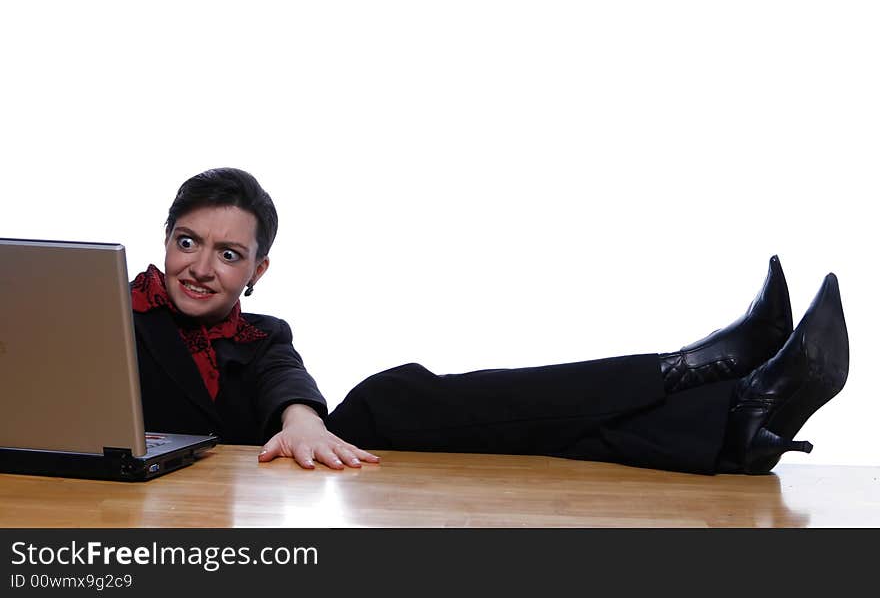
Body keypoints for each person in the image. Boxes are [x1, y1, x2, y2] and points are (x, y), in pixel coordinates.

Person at [131, 167, 850, 476]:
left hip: (294, 462)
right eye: (187, 241)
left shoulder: (264, 334)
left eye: (229, 254)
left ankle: (710, 381)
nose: (201, 266)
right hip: (195, 488)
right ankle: (730, 406)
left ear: (257, 271)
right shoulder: (115, 315)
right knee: (551, 433)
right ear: (166, 238)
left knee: (392, 395)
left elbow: (284, 373)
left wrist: (302, 419)